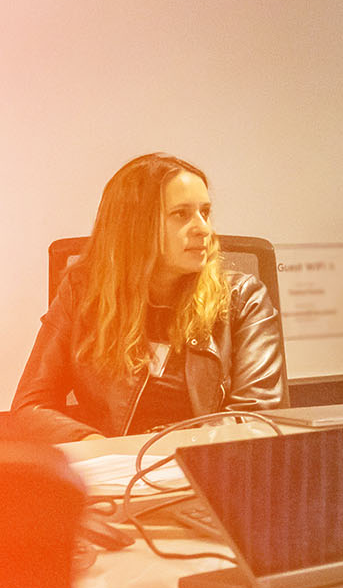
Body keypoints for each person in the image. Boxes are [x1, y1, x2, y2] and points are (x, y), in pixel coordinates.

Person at [12, 153, 287, 444]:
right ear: (135, 226)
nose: (204, 229)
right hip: (113, 474)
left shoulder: (243, 298)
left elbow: (258, 419)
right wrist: (94, 445)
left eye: (204, 212)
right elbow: (31, 407)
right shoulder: (81, 293)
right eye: (181, 214)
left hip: (208, 471)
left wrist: (168, 447)